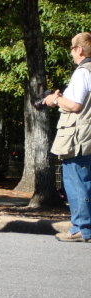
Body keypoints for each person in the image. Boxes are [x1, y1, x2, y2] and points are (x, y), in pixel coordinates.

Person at [43, 32, 91, 243]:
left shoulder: (82, 72)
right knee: (86, 181)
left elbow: (75, 105)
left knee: (75, 181)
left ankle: (81, 228)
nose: (71, 53)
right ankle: (82, 227)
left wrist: (54, 99)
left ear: (79, 50)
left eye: (72, 49)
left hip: (78, 137)